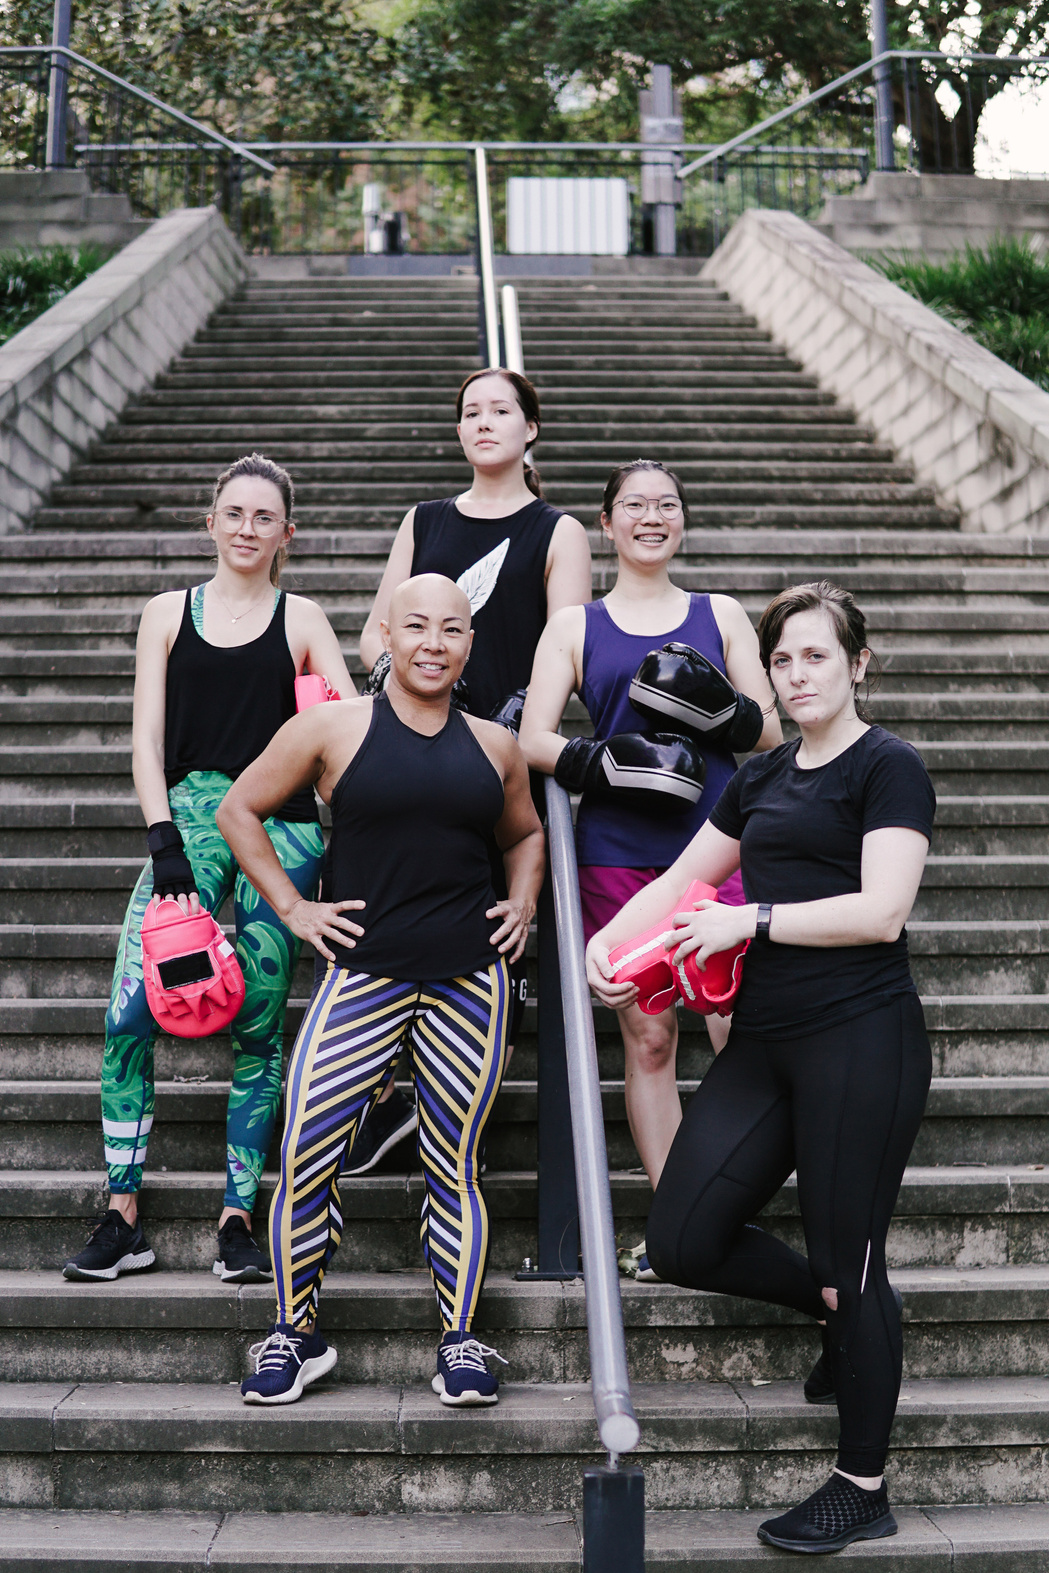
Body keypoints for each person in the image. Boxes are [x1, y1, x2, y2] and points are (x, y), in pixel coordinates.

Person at [586, 581, 935, 1553]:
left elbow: (881, 910)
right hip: (770, 1041)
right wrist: (605, 946)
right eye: (781, 659)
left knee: (848, 1263)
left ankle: (859, 1483)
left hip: (861, 1039)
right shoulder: (760, 775)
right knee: (684, 1236)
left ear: (855, 664)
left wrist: (755, 919)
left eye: (815, 655)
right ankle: (832, 1312)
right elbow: (676, 881)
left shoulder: (887, 768)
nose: (795, 674)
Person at [216, 573, 546, 1407]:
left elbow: (527, 832)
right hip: (362, 973)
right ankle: (294, 1331)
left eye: (453, 629)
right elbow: (237, 809)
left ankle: (461, 1341)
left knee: (453, 1161)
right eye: (418, 627)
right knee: (304, 1149)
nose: (434, 642)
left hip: (469, 978)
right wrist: (292, 907)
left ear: (469, 644)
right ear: (386, 637)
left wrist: (525, 899)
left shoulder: (493, 744)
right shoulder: (331, 726)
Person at [63, 454, 351, 1286]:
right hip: (186, 820)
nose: (247, 529)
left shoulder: (302, 619)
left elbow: (342, 731)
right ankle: (122, 1213)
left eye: (264, 517)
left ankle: (236, 1214)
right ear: (211, 521)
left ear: (285, 533)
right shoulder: (166, 612)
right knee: (127, 1014)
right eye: (234, 513)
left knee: (259, 1027)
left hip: (281, 827)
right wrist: (163, 839)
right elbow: (145, 738)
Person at [519, 460, 781, 1270]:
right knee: (650, 1038)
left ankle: (730, 1199)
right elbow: (530, 736)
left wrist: (725, 713)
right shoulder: (573, 625)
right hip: (617, 852)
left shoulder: (721, 613)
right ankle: (679, 1224)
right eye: (633, 505)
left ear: (682, 523)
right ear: (606, 523)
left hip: (718, 843)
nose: (650, 517)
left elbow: (772, 731)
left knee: (740, 1026)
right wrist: (602, 763)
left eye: (666, 505)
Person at [347, 367, 591, 1172]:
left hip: (499, 761)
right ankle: (389, 1096)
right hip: (408, 750)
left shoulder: (556, 531)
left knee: (491, 936)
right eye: (470, 412)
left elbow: (567, 648)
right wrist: (405, 696)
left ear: (531, 431)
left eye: (501, 411)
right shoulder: (423, 519)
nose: (483, 422)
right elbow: (373, 634)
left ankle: (455, 1122)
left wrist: (498, 731)